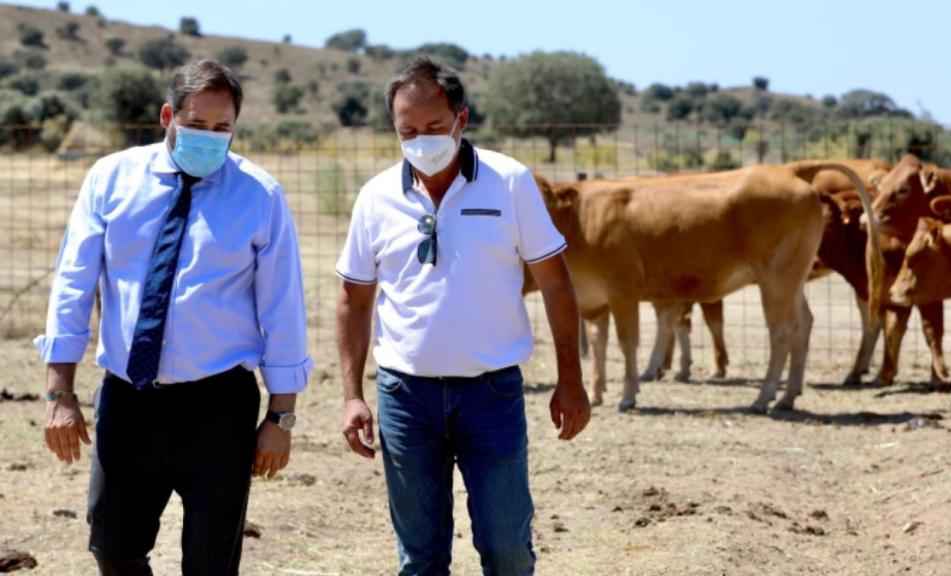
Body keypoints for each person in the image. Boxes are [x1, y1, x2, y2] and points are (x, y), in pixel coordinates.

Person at [36, 59, 311, 575]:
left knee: (211, 562)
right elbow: (72, 286)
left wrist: (280, 416)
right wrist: (60, 393)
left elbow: (283, 308)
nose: (209, 137)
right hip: (128, 399)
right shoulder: (111, 179)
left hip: (219, 406)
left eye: (222, 129)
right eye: (197, 125)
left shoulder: (261, 195)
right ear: (168, 116)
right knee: (114, 548)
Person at [336, 56, 591, 575]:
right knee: (421, 557)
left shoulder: (510, 182)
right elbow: (354, 297)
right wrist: (351, 395)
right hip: (406, 398)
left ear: (461, 119)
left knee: (507, 550)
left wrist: (572, 379)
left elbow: (556, 284)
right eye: (408, 130)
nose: (421, 140)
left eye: (434, 127)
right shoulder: (375, 197)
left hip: (491, 394)